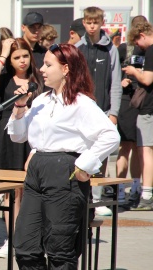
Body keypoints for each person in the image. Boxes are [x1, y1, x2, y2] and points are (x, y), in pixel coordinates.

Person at [8, 43, 120, 269]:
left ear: (66, 69)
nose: (41, 69)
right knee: (25, 246)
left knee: (60, 248)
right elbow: (18, 136)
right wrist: (19, 108)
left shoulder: (81, 103)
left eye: (48, 65)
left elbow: (110, 135)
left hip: (64, 171)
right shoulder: (40, 101)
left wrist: (85, 164)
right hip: (37, 170)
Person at [0, 37, 44, 258]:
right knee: (12, 192)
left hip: (34, 137)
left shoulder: (39, 78)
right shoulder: (5, 79)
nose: (22, 61)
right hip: (8, 137)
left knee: (31, 191)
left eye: (25, 56)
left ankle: (29, 239)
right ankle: (12, 240)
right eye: (16, 57)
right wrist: (3, 52)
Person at [75, 6, 122, 216]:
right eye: (88, 22)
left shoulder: (109, 48)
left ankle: (98, 197)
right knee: (82, 151)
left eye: (96, 22)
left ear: (101, 23)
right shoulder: (78, 48)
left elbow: (116, 83)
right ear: (84, 23)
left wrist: (114, 112)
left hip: (103, 110)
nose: (92, 26)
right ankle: (83, 194)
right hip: (82, 111)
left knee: (101, 155)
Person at [115, 16, 149, 208]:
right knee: (125, 146)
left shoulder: (148, 49)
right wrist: (122, 80)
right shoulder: (124, 48)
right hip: (127, 101)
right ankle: (120, 187)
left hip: (144, 99)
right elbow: (116, 71)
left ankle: (136, 188)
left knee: (139, 147)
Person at [123, 21, 153, 211]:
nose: (138, 47)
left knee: (145, 151)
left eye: (136, 42)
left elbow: (147, 79)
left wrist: (134, 72)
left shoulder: (150, 50)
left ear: (142, 35)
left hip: (149, 108)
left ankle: (147, 194)